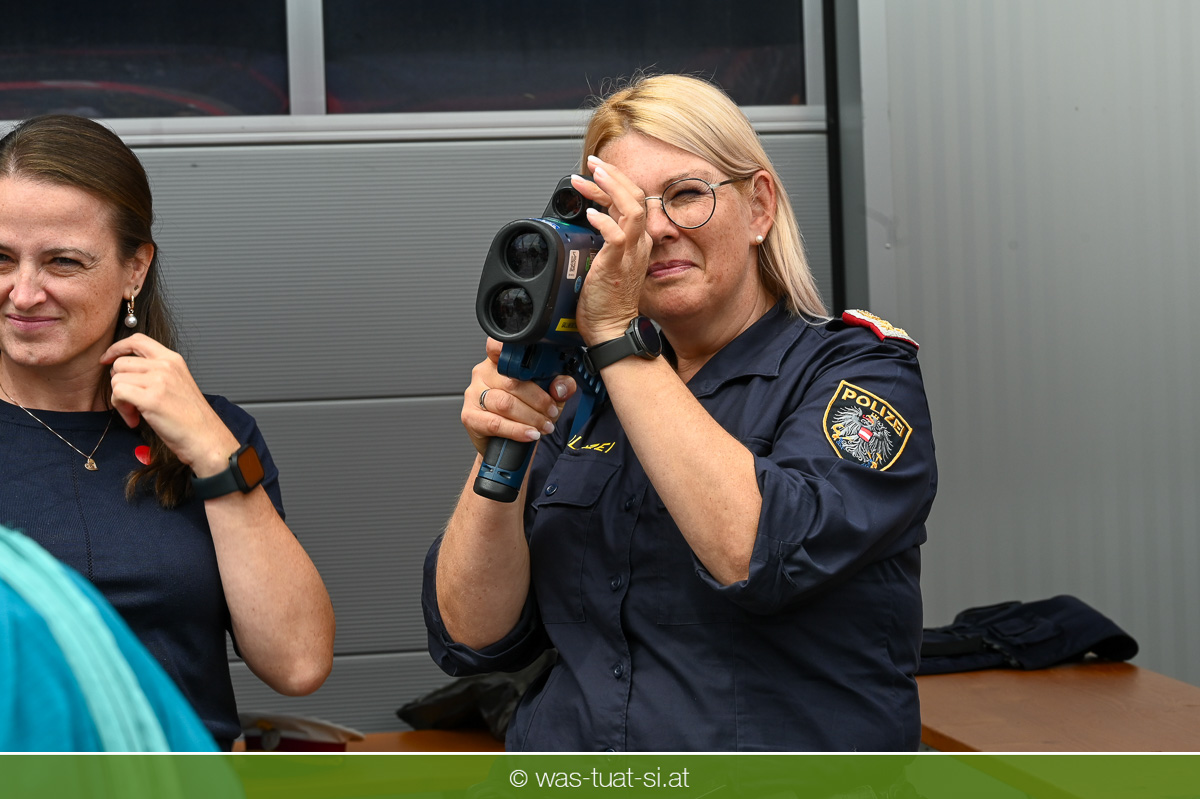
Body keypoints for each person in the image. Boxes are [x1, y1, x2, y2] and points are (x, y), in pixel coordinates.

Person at [423, 74, 938, 752]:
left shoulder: (857, 372)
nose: (658, 230)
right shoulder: (586, 394)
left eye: (686, 194)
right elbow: (470, 633)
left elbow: (755, 554)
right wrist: (505, 443)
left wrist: (614, 336)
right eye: (628, 209)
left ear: (759, 208)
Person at [0, 114, 335, 750]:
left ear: (135, 269)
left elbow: (298, 663)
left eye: (63, 262)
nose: (23, 293)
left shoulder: (214, 432)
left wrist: (213, 450)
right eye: (1, 258)